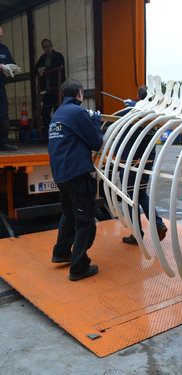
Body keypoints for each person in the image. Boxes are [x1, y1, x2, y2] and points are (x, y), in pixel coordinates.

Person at [48, 79, 103, 281]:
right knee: (85, 221)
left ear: (63, 95)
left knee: (68, 215)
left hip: (61, 174)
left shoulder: (57, 114)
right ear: (80, 93)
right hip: (77, 174)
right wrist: (96, 122)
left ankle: (61, 252)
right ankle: (78, 266)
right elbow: (96, 142)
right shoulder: (78, 113)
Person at [119, 85, 168, 245]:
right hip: (146, 161)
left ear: (138, 97)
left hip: (130, 163)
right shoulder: (154, 116)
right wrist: (134, 103)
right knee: (140, 195)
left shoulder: (132, 112)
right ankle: (157, 224)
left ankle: (137, 234)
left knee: (130, 198)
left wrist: (132, 105)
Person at [35, 38, 65, 124]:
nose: (47, 48)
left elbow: (58, 65)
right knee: (44, 112)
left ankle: (57, 130)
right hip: (48, 90)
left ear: (52, 46)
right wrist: (38, 70)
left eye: (49, 46)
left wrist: (44, 69)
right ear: (43, 48)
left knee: (58, 112)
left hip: (57, 89)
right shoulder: (42, 58)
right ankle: (50, 128)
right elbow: (34, 68)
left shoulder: (58, 56)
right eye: (45, 47)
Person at [0, 26, 21, 151]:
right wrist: (1, 66)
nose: (0, 38)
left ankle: (3, 142)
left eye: (1, 36)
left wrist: (10, 68)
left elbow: (11, 62)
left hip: (0, 87)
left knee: (3, 115)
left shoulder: (4, 49)